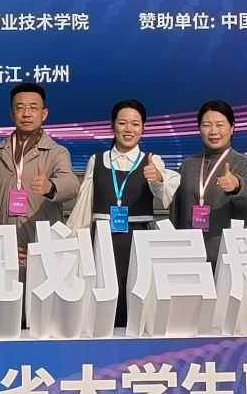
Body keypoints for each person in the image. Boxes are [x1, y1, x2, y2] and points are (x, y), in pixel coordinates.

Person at [66, 99, 177, 328]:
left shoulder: (152, 160)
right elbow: (84, 205)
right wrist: (74, 242)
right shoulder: (97, 160)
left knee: (135, 295)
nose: (129, 129)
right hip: (102, 237)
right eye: (123, 123)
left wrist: (157, 177)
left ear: (143, 128)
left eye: (135, 124)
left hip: (138, 239)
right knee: (102, 295)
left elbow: (163, 192)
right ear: (112, 125)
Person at [0, 81, 78, 268]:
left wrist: (50, 187)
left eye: (33, 108)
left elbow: (71, 184)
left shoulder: (56, 152)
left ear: (44, 113)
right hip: (1, 252)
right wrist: (0, 240)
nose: (26, 113)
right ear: (12, 114)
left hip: (41, 247)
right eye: (20, 108)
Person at [171, 99, 247, 267]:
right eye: (207, 125)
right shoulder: (188, 165)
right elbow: (176, 211)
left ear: (232, 127)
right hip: (190, 256)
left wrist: (237, 186)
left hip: (231, 257)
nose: (213, 131)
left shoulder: (243, 163)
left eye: (220, 125)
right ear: (199, 129)